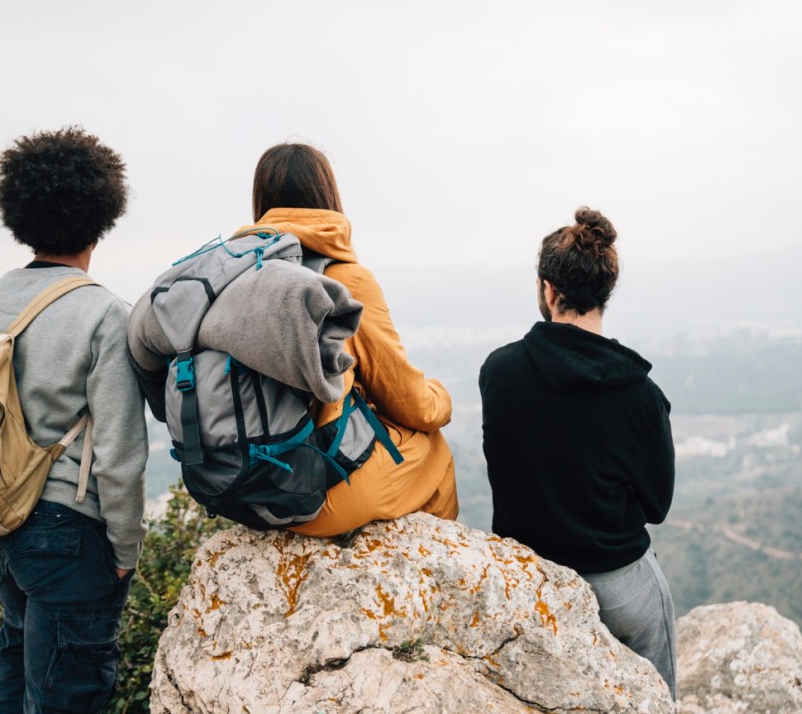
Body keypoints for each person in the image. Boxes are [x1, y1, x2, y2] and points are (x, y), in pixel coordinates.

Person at [0, 127, 148, 713]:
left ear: (19, 216)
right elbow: (119, 453)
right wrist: (126, 550)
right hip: (68, 530)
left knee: (16, 653)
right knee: (67, 689)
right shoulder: (105, 314)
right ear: (101, 217)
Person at [479, 207, 677, 698]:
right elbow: (657, 505)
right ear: (605, 292)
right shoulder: (642, 395)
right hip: (619, 586)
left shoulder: (499, 372)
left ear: (548, 290)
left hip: (530, 579)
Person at [241, 141, 459, 536]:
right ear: (327, 197)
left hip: (243, 487)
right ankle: (434, 562)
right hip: (310, 494)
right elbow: (410, 404)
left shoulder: (238, 277)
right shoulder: (346, 281)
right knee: (433, 449)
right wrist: (440, 397)